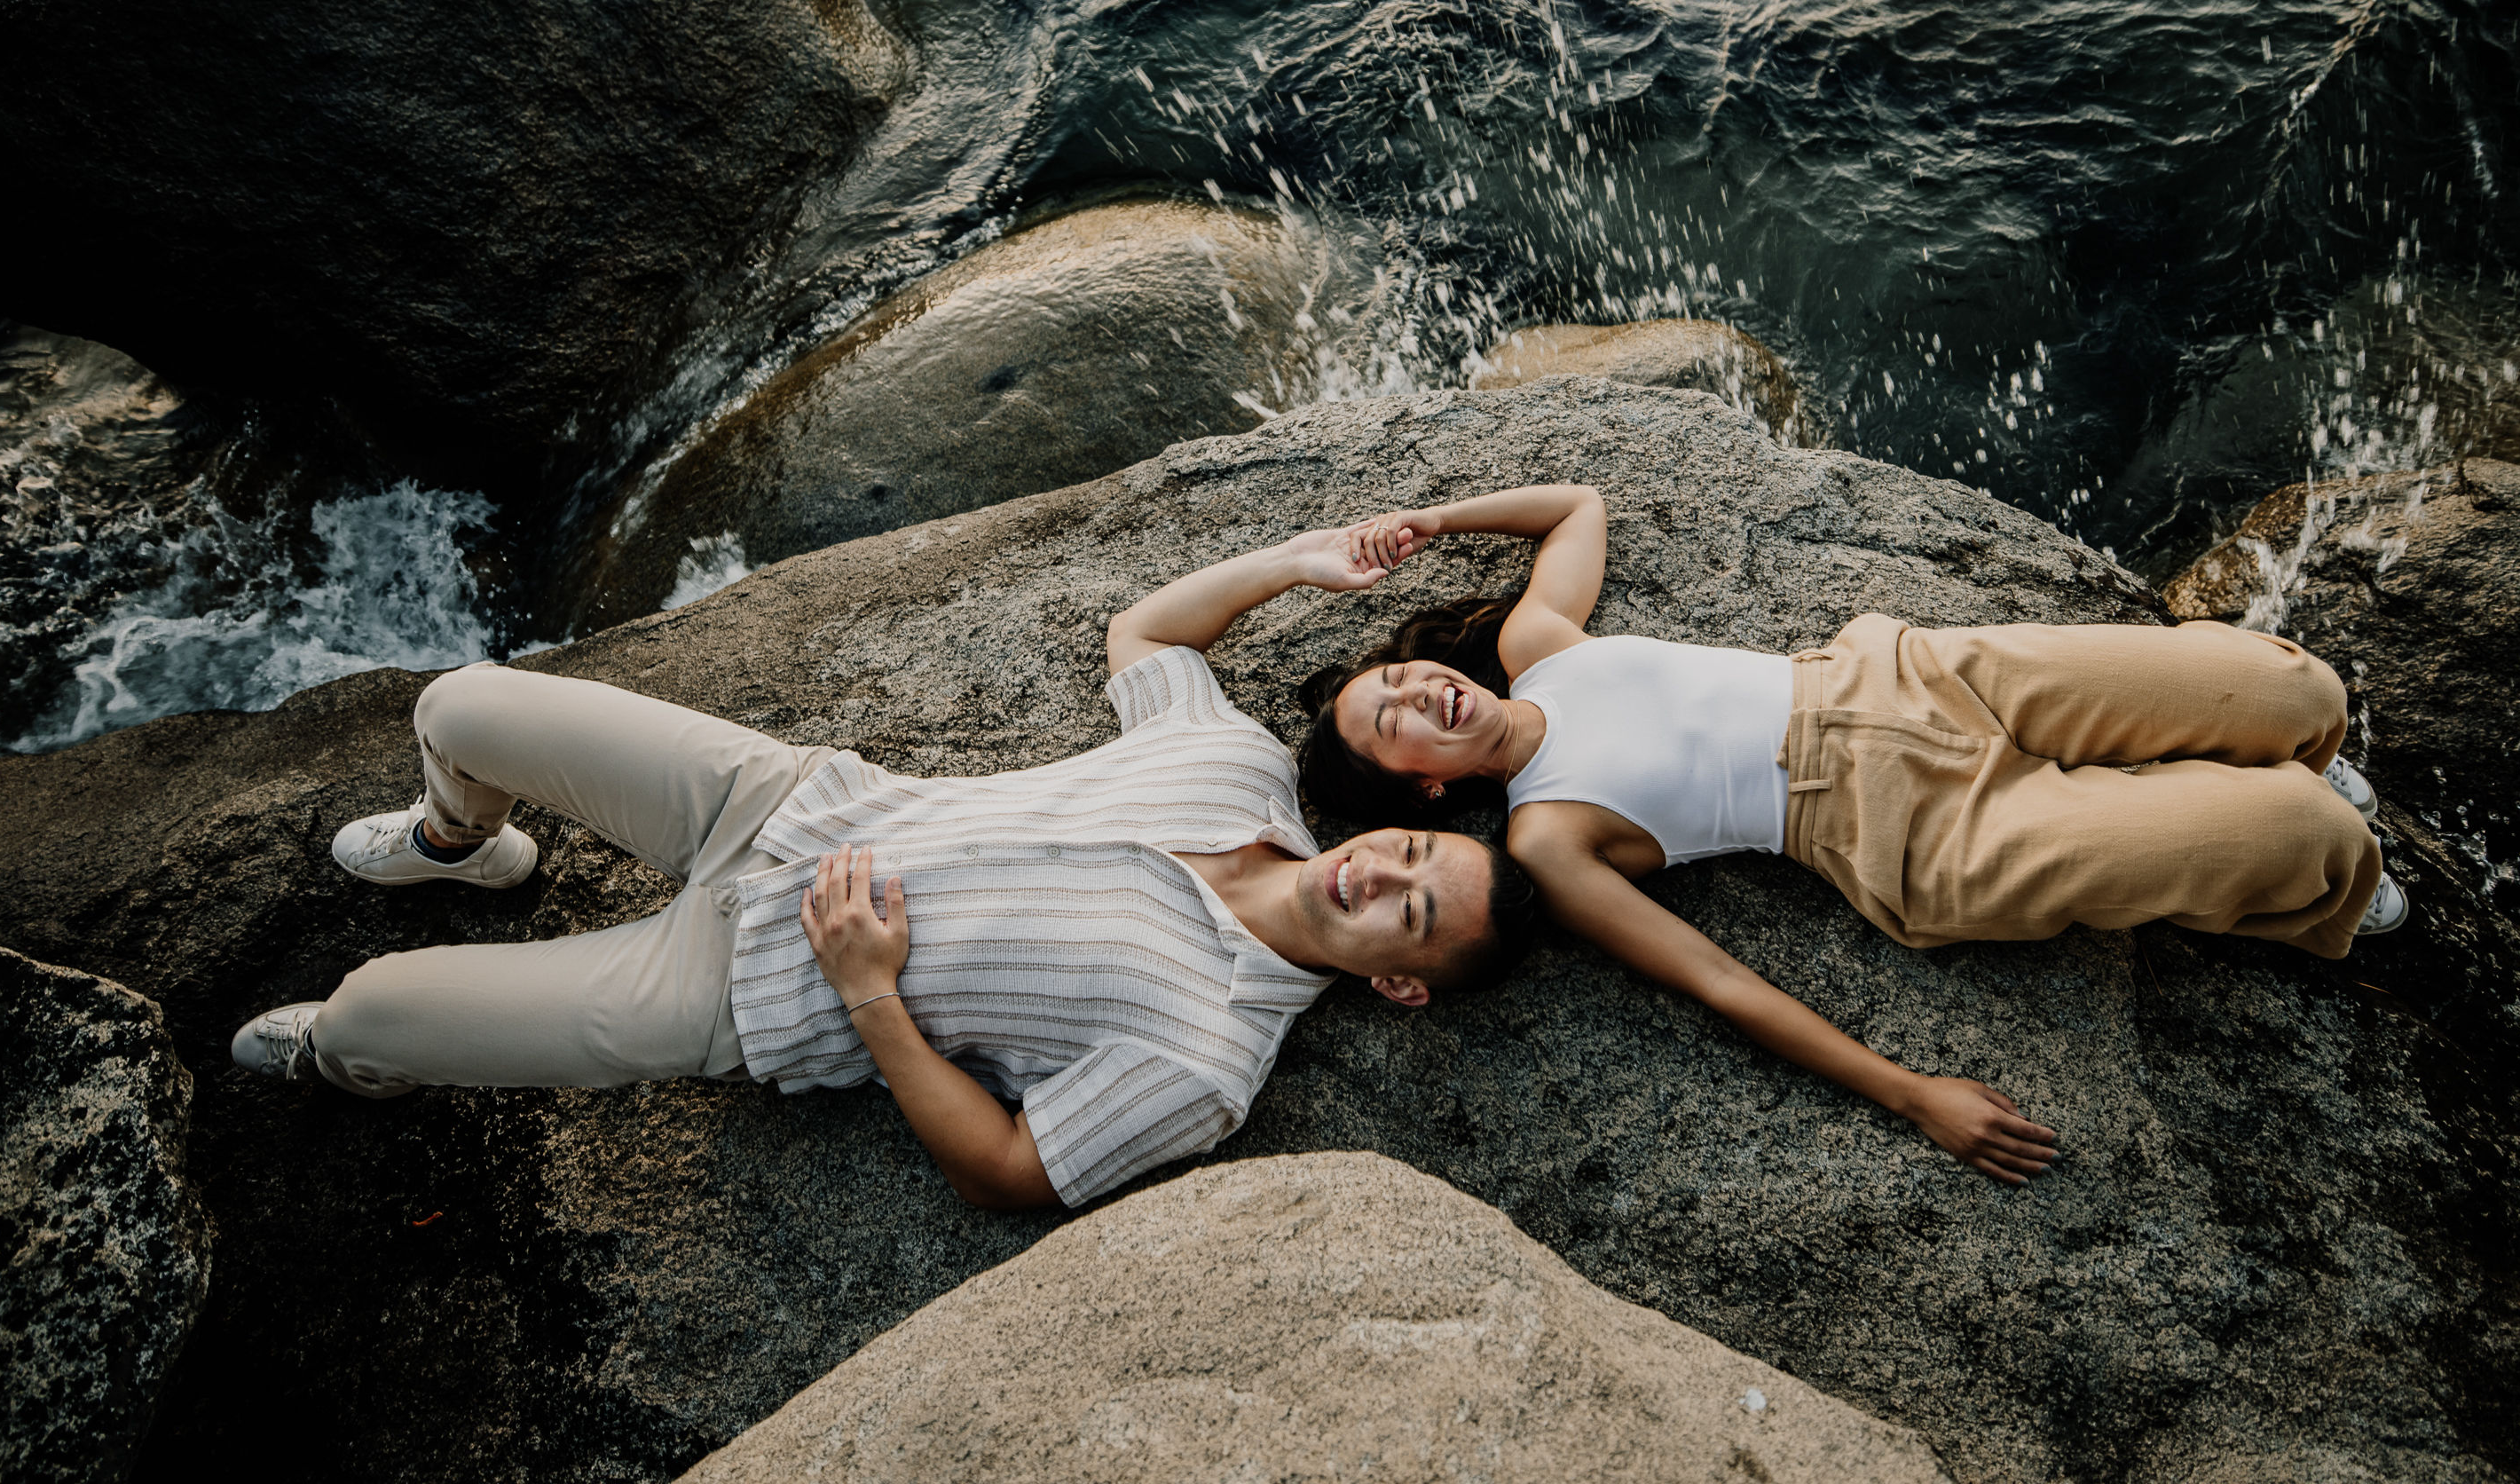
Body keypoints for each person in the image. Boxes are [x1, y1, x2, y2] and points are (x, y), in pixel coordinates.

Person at [230, 523, 1545, 1210]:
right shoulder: (1244, 770)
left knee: (370, 1013)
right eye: (1410, 850)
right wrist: (1294, 564)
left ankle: (347, 1053)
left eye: (1407, 914)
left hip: (748, 990)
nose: (1375, 875)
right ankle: (467, 847)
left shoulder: (1207, 1063)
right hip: (781, 801)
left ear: (1400, 988)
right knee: (461, 705)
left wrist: (868, 992)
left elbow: (1012, 1175)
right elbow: (1143, 632)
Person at [1292, 485, 2401, 1187]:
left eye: (1397, 675)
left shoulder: (1541, 643)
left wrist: (1433, 522)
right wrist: (1914, 1093)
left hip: (1914, 677)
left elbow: (1576, 506)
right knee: (2293, 832)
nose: (1416, 693)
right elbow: (1719, 983)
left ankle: (2301, 749)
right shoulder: (1548, 839)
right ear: (1420, 796)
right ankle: (2338, 877)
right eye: (1390, 723)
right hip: (1912, 830)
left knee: (2284, 684)